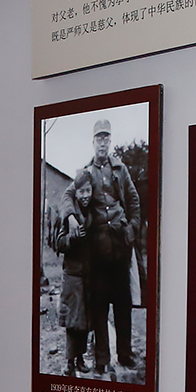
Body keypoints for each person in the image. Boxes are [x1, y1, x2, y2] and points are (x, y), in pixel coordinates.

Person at [62, 117, 141, 378]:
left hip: (120, 246)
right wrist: (71, 217)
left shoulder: (120, 169)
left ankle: (125, 354)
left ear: (110, 141)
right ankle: (101, 359)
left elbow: (133, 200)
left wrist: (132, 228)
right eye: (99, 138)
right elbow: (68, 194)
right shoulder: (86, 172)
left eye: (107, 137)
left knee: (123, 304)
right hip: (97, 250)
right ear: (93, 142)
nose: (103, 143)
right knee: (99, 307)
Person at [51, 172, 96, 374]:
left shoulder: (93, 212)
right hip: (73, 275)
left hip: (89, 275)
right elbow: (59, 243)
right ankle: (69, 362)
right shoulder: (69, 217)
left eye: (88, 190)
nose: (85, 195)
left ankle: (80, 359)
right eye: (81, 191)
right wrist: (72, 238)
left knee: (84, 320)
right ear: (75, 193)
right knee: (72, 321)